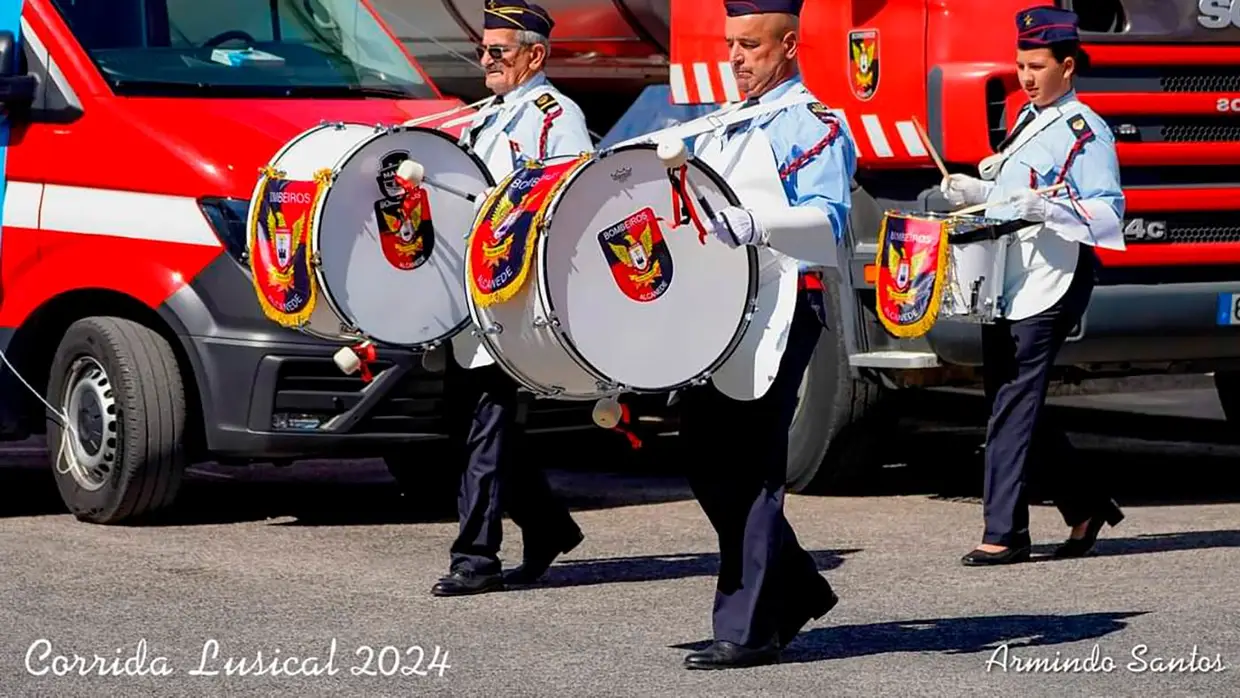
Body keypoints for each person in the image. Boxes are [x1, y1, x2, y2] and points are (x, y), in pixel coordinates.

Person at [673, 0, 853, 670]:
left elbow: (831, 223)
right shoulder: (723, 125)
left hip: (784, 305)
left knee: (749, 465)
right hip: (718, 311)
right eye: (730, 45)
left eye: (750, 44)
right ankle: (797, 588)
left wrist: (757, 224)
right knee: (702, 456)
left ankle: (747, 626)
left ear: (790, 44)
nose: (738, 58)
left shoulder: (813, 125)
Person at [941, 6, 1127, 567]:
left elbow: (1108, 211)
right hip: (1011, 278)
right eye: (1020, 65)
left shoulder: (1083, 128)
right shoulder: (1028, 117)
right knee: (1011, 400)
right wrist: (975, 189)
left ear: (1067, 67)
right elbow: (1012, 189)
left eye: (1037, 66)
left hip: (1053, 279)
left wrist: (1043, 206)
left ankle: (1004, 531)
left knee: (1011, 405)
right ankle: (1085, 504)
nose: (1025, 76)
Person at [430, 0, 593, 597]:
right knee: (466, 425)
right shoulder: (485, 116)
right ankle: (548, 526)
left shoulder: (554, 115)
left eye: (497, 52)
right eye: (483, 50)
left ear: (535, 56)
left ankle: (476, 557)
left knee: (483, 425)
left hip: (512, 291)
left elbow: (570, 194)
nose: (485, 61)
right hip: (471, 290)